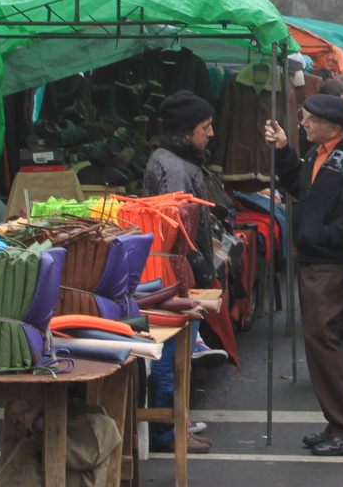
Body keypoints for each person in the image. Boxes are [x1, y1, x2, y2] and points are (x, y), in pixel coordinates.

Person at [265, 93, 343, 456]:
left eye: (309, 119)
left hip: (332, 263)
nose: (302, 123)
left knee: (326, 342)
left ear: (333, 127)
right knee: (321, 343)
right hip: (317, 259)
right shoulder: (319, 154)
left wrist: (327, 234)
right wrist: (286, 152)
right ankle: (341, 424)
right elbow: (301, 188)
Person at [144, 91, 226, 452]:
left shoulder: (175, 159)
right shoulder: (174, 167)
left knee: (176, 354)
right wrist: (198, 272)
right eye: (204, 127)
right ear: (185, 131)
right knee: (169, 356)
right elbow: (179, 229)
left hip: (176, 271)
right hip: (170, 274)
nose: (210, 134)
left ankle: (177, 424)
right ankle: (167, 432)